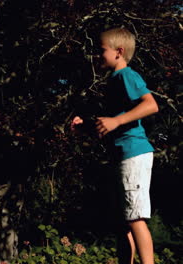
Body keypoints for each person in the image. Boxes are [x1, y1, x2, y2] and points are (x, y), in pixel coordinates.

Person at [71, 28, 159, 264]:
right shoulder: (113, 81)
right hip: (121, 155)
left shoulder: (126, 76)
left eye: (101, 51)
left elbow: (151, 105)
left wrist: (117, 120)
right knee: (123, 223)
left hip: (134, 153)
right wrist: (87, 125)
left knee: (135, 218)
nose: (96, 55)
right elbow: (111, 123)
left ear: (119, 52)